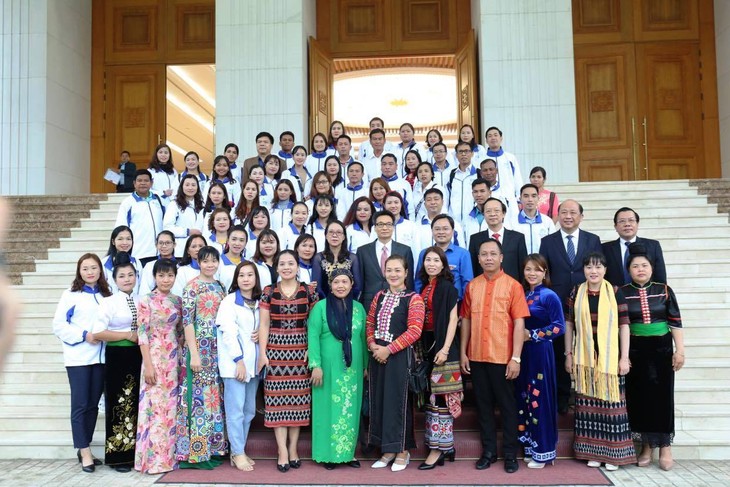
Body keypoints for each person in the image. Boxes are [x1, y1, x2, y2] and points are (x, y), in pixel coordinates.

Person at [460, 239, 529, 473]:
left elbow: (519, 324)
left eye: (493, 254)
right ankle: (489, 451)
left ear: (501, 258)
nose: (488, 258)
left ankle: (510, 454)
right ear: (478, 259)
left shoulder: (513, 286)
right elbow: (466, 321)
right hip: (477, 356)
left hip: (503, 357)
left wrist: (516, 358)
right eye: (484, 254)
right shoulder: (472, 286)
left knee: (508, 407)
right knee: (484, 406)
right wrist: (463, 352)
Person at [564, 252, 636, 471]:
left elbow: (624, 325)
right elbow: (569, 324)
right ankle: (593, 453)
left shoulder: (615, 292)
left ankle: (613, 455)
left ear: (605, 270)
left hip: (610, 360)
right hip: (584, 360)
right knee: (588, 409)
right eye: (588, 267)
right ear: (583, 270)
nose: (593, 271)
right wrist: (568, 354)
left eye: (598, 267)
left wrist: (624, 358)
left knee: (612, 407)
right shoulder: (577, 292)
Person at [622, 244, 684, 471]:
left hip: (661, 349)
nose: (640, 269)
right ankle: (646, 446)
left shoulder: (664, 289)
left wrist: (680, 351)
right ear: (629, 269)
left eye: (644, 265)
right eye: (635, 266)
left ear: (652, 268)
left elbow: (675, 322)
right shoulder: (623, 292)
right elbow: (623, 326)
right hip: (636, 350)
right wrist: (624, 355)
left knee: (662, 397)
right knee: (641, 398)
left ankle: (665, 446)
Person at [257, 250, 319, 473]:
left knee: (298, 404)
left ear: (297, 266)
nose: (286, 267)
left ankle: (293, 449)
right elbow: (264, 324)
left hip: (301, 352)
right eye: (282, 264)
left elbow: (314, 325)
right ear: (277, 268)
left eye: (290, 263)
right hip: (275, 351)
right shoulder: (268, 292)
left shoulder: (309, 291)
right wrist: (263, 353)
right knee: (276, 404)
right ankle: (281, 450)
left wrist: (312, 352)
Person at [539, 199, 603, 414]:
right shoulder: (547, 242)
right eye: (563, 212)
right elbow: (544, 273)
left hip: (587, 302)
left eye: (573, 212)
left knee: (588, 347)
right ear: (557, 215)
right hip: (557, 305)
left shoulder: (593, 240)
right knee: (559, 352)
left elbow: (597, 269)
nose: (568, 216)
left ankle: (588, 397)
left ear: (581, 217)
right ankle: (562, 399)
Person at [52, 253, 112, 473]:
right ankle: (84, 450)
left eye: (94, 268)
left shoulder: (107, 295)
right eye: (85, 268)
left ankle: (83, 446)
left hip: (101, 359)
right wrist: (84, 335)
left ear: (100, 270)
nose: (90, 272)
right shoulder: (70, 295)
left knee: (92, 405)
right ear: (79, 271)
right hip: (78, 358)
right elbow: (58, 325)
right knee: (80, 404)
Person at [367, 254, 425, 472]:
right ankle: (387, 449)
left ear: (406, 273)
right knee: (380, 401)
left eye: (397, 270)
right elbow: (370, 322)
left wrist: (388, 349)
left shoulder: (414, 298)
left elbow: (415, 330)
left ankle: (402, 451)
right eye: (389, 270)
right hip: (377, 355)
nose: (393, 274)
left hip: (399, 356)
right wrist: (373, 345)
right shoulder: (378, 296)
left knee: (398, 403)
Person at [308, 268, 367, 470]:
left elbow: (363, 338)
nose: (340, 286)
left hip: (352, 369)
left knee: (349, 410)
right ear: (330, 286)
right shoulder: (320, 308)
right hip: (326, 368)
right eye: (336, 282)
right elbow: (313, 337)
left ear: (351, 285)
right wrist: (315, 365)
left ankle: (346, 453)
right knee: (326, 410)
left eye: (344, 281)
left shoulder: (359, 308)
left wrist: (366, 367)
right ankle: (327, 455)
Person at [176, 246, 228, 468]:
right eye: (205, 261)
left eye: (213, 261)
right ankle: (196, 452)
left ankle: (213, 447)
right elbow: (187, 321)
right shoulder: (191, 287)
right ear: (198, 262)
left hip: (218, 350)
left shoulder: (220, 286)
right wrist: (194, 354)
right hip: (199, 349)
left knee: (213, 398)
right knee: (198, 400)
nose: (210, 265)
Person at [91, 252, 141, 472]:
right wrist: (126, 335)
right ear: (115, 279)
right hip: (117, 357)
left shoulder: (142, 300)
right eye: (122, 276)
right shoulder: (108, 302)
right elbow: (98, 332)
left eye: (131, 275)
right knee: (119, 405)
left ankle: (136, 454)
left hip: (138, 356)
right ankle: (118, 458)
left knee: (136, 405)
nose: (127, 279)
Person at [134, 259, 182, 474]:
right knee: (153, 409)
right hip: (153, 357)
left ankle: (168, 459)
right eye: (161, 275)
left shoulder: (178, 301)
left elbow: (180, 332)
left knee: (170, 409)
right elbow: (142, 334)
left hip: (173, 360)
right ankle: (151, 461)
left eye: (170, 275)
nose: (166, 279)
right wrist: (148, 365)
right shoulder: (145, 301)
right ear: (154, 277)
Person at [516, 254, 565, 469]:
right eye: (528, 269)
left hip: (540, 352)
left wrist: (533, 334)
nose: (532, 273)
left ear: (544, 272)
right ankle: (531, 446)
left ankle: (544, 451)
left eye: (537, 269)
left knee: (539, 398)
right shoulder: (523, 294)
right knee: (525, 398)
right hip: (523, 353)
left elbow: (559, 326)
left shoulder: (549, 296)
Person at [416, 247, 461, 470]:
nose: (431, 263)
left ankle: (438, 450)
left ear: (444, 264)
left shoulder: (447, 288)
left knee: (441, 400)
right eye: (427, 260)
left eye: (436, 260)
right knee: (431, 399)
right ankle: (444, 446)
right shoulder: (425, 287)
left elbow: (453, 320)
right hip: (428, 347)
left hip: (444, 349)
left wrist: (445, 349)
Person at [216, 261, 263, 472]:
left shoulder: (260, 302)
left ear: (256, 278)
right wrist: (239, 361)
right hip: (235, 365)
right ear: (236, 279)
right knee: (235, 411)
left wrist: (260, 331)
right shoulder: (228, 302)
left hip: (253, 366)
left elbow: (264, 327)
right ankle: (237, 452)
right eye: (241, 275)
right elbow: (228, 333)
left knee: (249, 411)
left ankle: (240, 449)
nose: (245, 279)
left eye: (250, 275)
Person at [357, 210, 415, 313]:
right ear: (374, 227)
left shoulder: (405, 250)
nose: (384, 228)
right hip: (369, 303)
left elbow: (409, 280)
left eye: (388, 224)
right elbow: (360, 280)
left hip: (398, 302)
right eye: (380, 224)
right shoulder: (363, 251)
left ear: (393, 227)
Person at [603, 207, 667, 286]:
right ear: (615, 226)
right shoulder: (605, 249)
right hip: (615, 296)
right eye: (622, 221)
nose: (627, 224)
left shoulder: (653, 246)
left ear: (637, 224)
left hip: (645, 296)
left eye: (631, 220)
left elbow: (660, 278)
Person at [415, 214, 473, 300]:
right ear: (432, 231)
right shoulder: (424, 253)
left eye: (445, 229)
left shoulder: (463, 254)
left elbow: (467, 282)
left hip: (455, 303)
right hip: (428, 304)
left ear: (453, 231)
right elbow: (419, 280)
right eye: (437, 229)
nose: (441, 232)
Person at [468, 198, 527, 282]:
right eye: (488, 211)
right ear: (483, 214)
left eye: (496, 211)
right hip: (484, 287)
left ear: (503, 214)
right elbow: (473, 267)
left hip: (512, 288)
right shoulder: (475, 239)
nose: (492, 214)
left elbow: (522, 266)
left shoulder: (518, 238)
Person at [115, 169, 164, 266]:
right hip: (138, 254)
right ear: (134, 183)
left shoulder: (158, 199)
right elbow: (120, 227)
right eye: (139, 181)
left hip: (159, 253)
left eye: (146, 181)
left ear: (151, 183)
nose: (143, 183)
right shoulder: (128, 202)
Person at [311, 220, 362, 298]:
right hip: (325, 303)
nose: (334, 235)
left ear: (344, 237)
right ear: (326, 236)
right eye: (331, 232)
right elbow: (317, 288)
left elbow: (357, 286)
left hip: (348, 303)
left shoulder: (352, 258)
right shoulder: (318, 258)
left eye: (338, 232)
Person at [163, 174, 205, 258]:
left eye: (193, 185)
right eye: (187, 185)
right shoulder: (174, 204)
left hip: (200, 251)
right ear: (182, 187)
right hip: (181, 250)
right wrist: (187, 231)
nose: (190, 188)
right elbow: (167, 227)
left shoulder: (202, 205)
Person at [513, 183, 556, 254]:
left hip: (541, 263)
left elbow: (553, 246)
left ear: (538, 198)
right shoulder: (512, 222)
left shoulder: (547, 221)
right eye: (526, 196)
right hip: (520, 263)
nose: (530, 199)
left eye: (533, 196)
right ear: (520, 199)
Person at [485, 127, 523, 201]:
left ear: (501, 138)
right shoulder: (481, 159)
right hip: (489, 201)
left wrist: (519, 199)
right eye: (490, 136)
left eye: (495, 135)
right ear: (486, 140)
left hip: (510, 200)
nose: (493, 138)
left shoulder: (510, 158)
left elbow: (517, 178)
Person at [102, 225, 142, 294]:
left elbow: (140, 286)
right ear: (113, 241)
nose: (125, 243)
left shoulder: (136, 262)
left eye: (128, 239)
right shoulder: (104, 263)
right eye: (120, 239)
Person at [446, 141, 478, 225]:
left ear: (472, 154)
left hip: (473, 220)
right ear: (456, 155)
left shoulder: (478, 174)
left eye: (466, 151)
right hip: (454, 220)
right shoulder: (451, 174)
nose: (463, 154)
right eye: (460, 151)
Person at [139, 231, 177, 295]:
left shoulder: (180, 266)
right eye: (161, 243)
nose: (164, 246)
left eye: (168, 243)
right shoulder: (149, 266)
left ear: (174, 245)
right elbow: (144, 291)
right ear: (156, 245)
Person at [218, 225, 248, 291]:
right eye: (234, 239)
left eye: (241, 240)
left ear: (246, 243)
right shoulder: (218, 262)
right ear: (228, 241)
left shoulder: (248, 264)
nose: (237, 243)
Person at [462, 178, 491, 245]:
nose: (478, 195)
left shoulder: (497, 215)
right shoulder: (467, 217)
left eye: (482, 191)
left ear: (489, 192)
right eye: (475, 192)